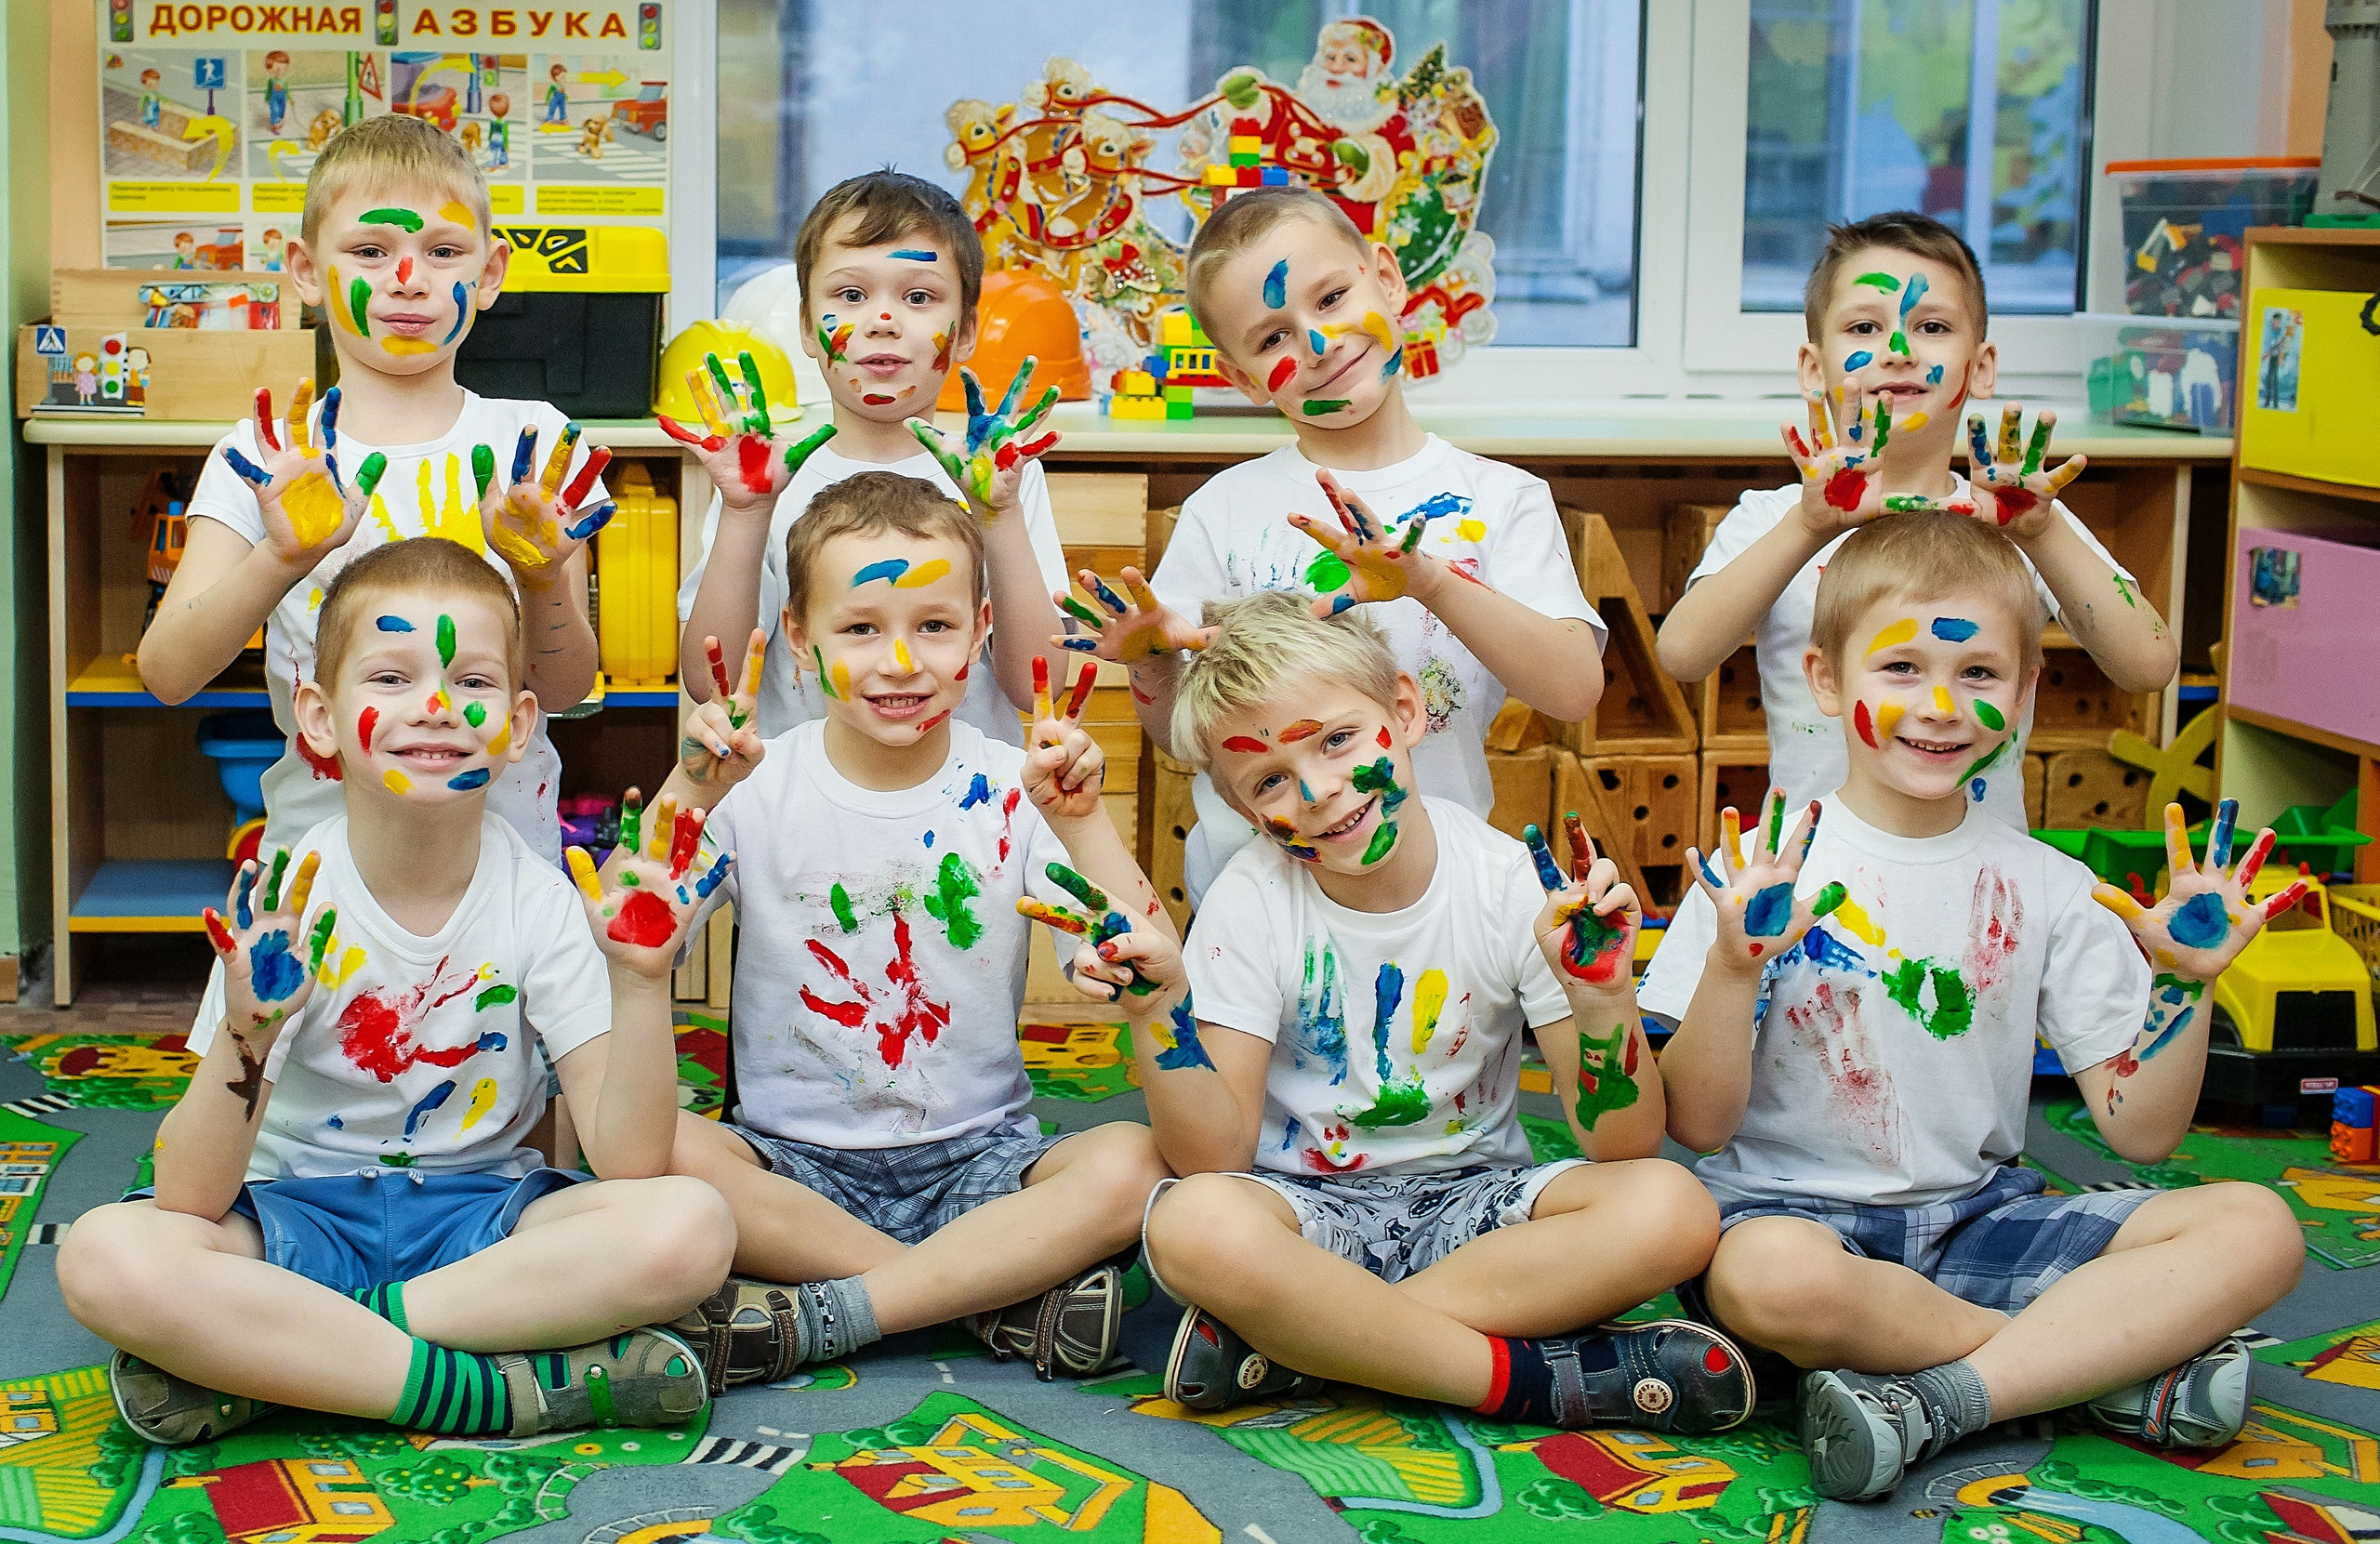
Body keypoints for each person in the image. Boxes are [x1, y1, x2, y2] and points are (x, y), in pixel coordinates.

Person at [1640, 510, 2307, 1502]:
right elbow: (1695, 1124)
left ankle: (1949, 1391)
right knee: (1766, 1276)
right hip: (1791, 1223)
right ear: (1826, 680)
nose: (1940, 702)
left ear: (2027, 689)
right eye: (1899, 668)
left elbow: (2143, 1131)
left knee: (2260, 1226)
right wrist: (1735, 965)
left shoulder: (2052, 884)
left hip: (1979, 1224)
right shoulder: (1755, 875)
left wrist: (2182, 982)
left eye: (1981, 673)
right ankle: (2097, 1367)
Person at [60, 539, 733, 1445]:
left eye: (474, 681)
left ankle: (293, 1354)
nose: (436, 705)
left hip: (482, 1219)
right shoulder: (286, 898)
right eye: (391, 674)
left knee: (690, 1224)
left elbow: (630, 1162)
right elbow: (187, 1189)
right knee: (107, 1255)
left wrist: (643, 982)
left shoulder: (542, 896)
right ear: (319, 717)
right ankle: (483, 1389)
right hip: (297, 1216)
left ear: (521, 722)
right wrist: (247, 1033)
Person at [1109, 587, 1750, 1432]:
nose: (1321, 790)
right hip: (1308, 1214)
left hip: (1480, 1211)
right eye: (1270, 777)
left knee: (1672, 1206)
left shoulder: (1509, 881)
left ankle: (1318, 1344)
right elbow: (1212, 1155)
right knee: (1193, 1223)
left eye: (1338, 739)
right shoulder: (1250, 900)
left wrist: (1602, 999)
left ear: (1405, 710)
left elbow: (1622, 1147)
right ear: (1239, 806)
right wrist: (1160, 1013)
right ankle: (1515, 1377)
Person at [654, 471, 1170, 1391]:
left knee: (1134, 1162)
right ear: (803, 645)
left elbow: (1130, 945)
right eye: (861, 628)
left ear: (980, 630)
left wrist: (1085, 820)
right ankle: (986, 1295)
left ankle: (836, 1308)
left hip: (981, 1157)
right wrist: (687, 789)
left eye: (933, 626)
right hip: (789, 1161)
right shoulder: (755, 784)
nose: (901, 660)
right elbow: (643, 927)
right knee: (658, 1145)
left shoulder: (1019, 785)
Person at [1069, 187, 1605, 904]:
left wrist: (1429, 581)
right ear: (1241, 378)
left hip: (1439, 896)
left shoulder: (1501, 501)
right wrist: (1157, 666)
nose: (1317, 344)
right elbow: (1180, 738)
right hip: (1258, 902)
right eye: (1271, 338)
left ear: (1386, 277)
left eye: (1329, 299)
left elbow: (1572, 690)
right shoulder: (1222, 512)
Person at [142, 112, 608, 864]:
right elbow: (168, 673)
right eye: (370, 249)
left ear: (489, 273)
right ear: (303, 270)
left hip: (504, 869)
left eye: (443, 250)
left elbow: (561, 689)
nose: (408, 279)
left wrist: (541, 573)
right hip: (322, 871)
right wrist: (282, 558)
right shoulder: (266, 457)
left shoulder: (534, 450)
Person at [1656, 211, 2177, 826]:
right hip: (1818, 871)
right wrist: (1810, 527)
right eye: (1863, 327)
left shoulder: (2020, 520)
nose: (1898, 352)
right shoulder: (1776, 519)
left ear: (1980, 367)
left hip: (1978, 884)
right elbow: (1683, 653)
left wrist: (2042, 532)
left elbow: (2149, 666)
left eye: (1930, 326)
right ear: (1813, 367)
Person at [676, 170, 1066, 752]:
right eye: (852, 295)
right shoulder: (764, 478)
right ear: (808, 326)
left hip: (972, 815)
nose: (884, 320)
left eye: (919, 297)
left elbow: (1039, 687)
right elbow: (713, 683)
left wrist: (998, 512)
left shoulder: (1001, 477)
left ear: (965, 335)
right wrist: (746, 512)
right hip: (804, 809)